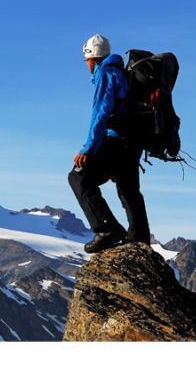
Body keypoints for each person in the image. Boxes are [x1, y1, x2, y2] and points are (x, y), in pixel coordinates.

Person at [68, 34, 151, 254]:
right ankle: (139, 239)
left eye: (86, 59)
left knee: (78, 177)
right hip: (133, 142)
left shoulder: (105, 73)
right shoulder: (122, 72)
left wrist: (88, 149)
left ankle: (107, 229)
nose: (86, 64)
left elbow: (101, 113)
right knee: (129, 190)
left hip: (114, 140)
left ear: (91, 58)